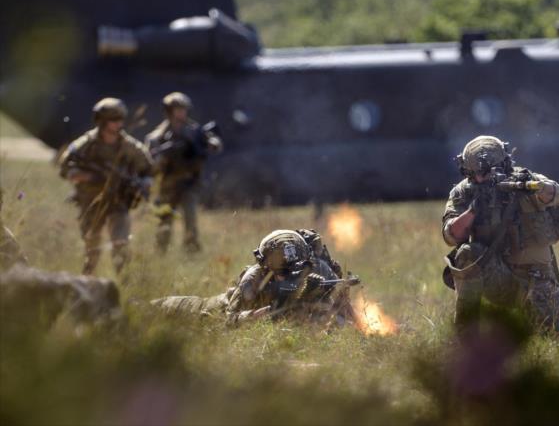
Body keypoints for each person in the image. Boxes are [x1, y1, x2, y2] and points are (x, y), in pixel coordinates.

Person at [442, 135, 559, 333]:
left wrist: (536, 187)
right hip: (499, 281)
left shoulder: (526, 181)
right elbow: (451, 235)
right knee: (467, 253)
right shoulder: (464, 193)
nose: (483, 178)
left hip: (537, 281)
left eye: (490, 171)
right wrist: (473, 211)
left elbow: (556, 194)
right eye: (477, 173)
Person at [152, 229, 356, 326]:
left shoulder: (316, 269)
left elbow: (340, 311)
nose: (291, 277)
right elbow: (226, 321)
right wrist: (252, 317)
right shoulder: (253, 279)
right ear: (267, 268)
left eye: (297, 270)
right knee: (164, 309)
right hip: (213, 309)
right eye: (283, 273)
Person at [58, 98, 153, 275]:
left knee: (121, 243)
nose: (119, 124)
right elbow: (65, 167)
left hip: (118, 200)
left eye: (120, 119)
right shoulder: (86, 144)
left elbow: (147, 168)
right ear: (102, 121)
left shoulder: (129, 146)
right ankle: (87, 281)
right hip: (91, 201)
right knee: (92, 246)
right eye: (114, 119)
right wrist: (86, 176)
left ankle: (125, 284)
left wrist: (143, 184)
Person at [145, 92, 222, 254]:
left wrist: (212, 144)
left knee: (190, 219)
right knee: (164, 222)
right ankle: (160, 253)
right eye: (177, 109)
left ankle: (191, 252)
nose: (181, 113)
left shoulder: (195, 130)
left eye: (183, 109)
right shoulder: (157, 136)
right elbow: (150, 162)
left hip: (190, 182)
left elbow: (213, 141)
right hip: (168, 184)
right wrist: (164, 157)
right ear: (169, 111)